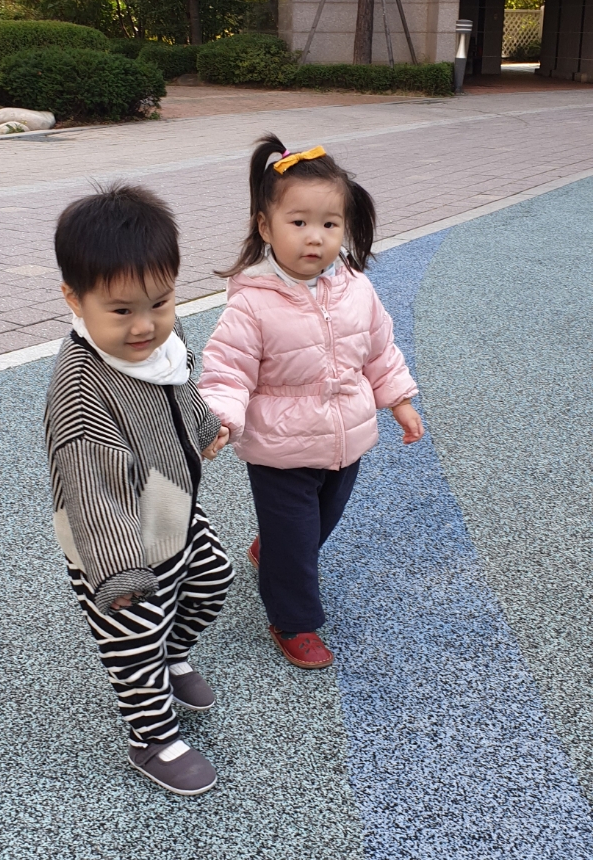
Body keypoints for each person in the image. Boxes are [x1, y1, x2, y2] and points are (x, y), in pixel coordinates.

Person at [198, 134, 423, 670]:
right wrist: (220, 418)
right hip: (280, 449)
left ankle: (272, 549)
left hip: (346, 439)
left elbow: (379, 349)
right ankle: (293, 620)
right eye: (298, 222)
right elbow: (227, 370)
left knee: (320, 522)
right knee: (298, 539)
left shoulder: (356, 288)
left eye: (330, 224)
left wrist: (399, 399)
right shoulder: (252, 303)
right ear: (265, 227)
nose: (315, 237)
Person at [44, 184, 232, 795]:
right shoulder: (83, 392)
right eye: (121, 311)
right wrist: (120, 571)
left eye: (160, 302)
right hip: (113, 540)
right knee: (134, 636)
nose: (145, 326)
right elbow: (91, 491)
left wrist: (202, 423)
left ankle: (174, 656)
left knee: (214, 577)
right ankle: (150, 736)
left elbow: (177, 386)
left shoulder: (158, 346)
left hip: (168, 503)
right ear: (75, 299)